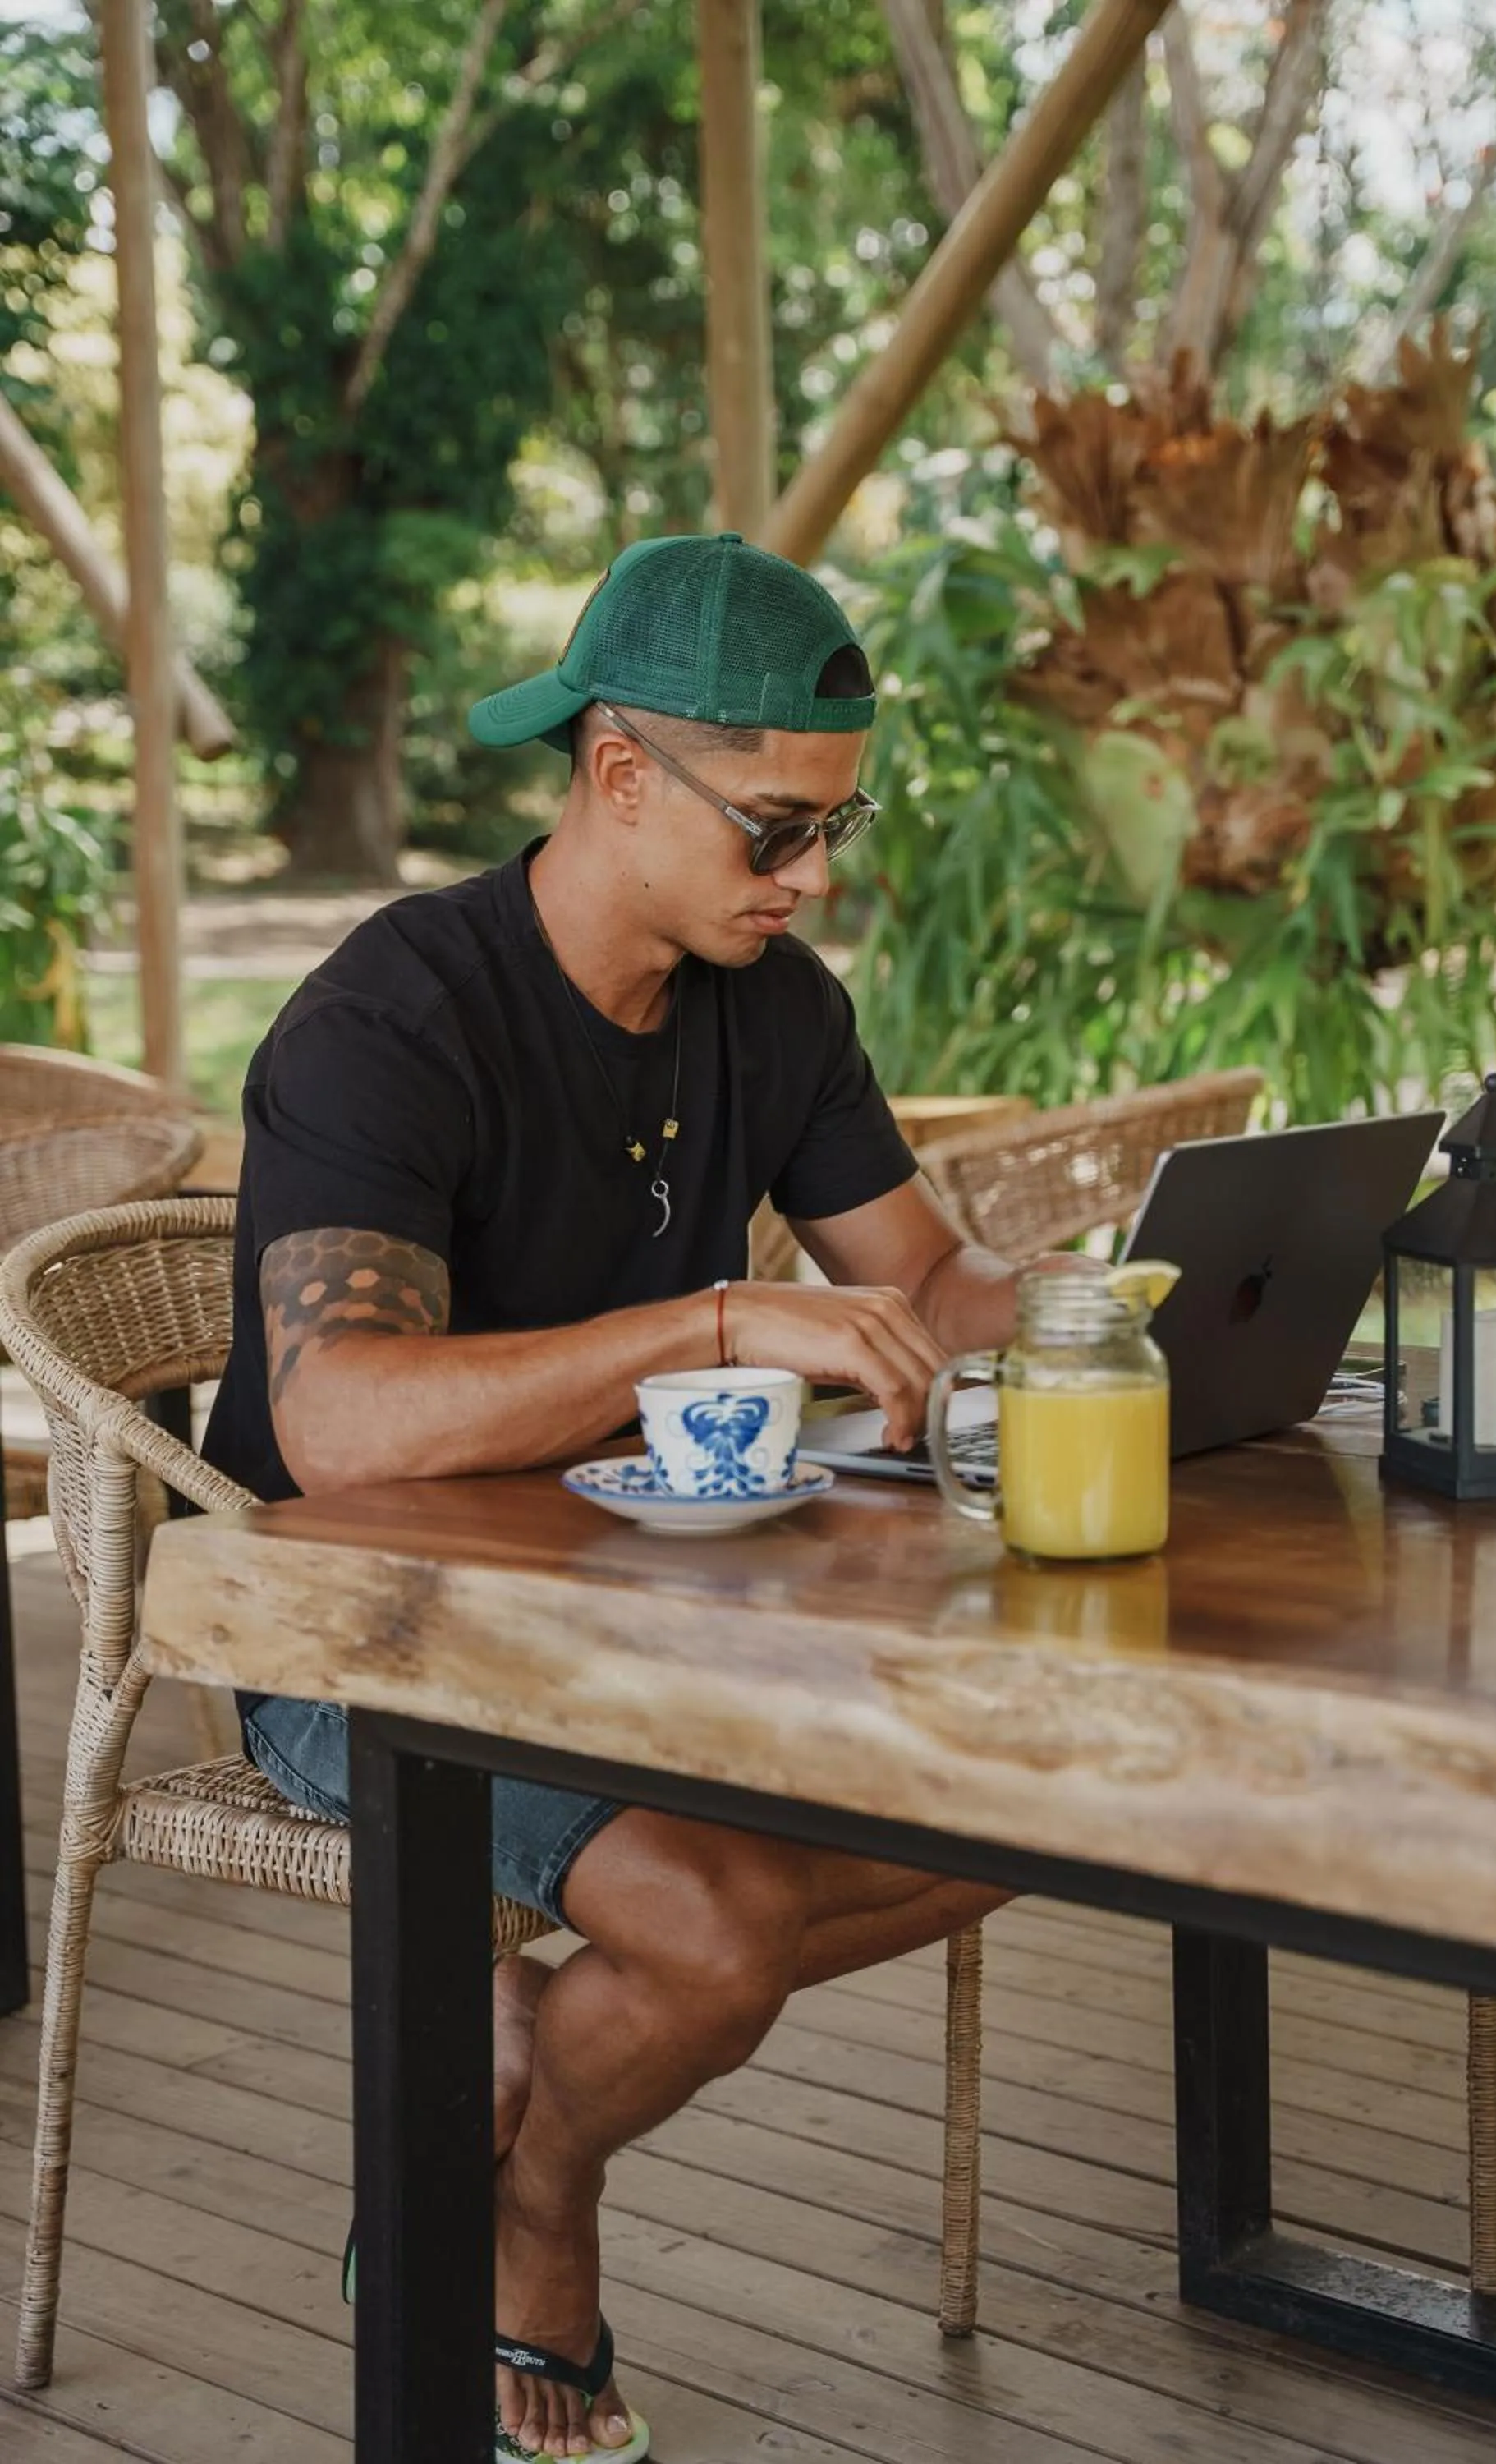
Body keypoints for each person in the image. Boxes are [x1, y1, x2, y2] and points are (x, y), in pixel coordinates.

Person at [203, 532, 1025, 2462]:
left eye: (835, 825)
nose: (813, 877)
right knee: (716, 1933)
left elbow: (925, 1279)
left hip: (653, 1610)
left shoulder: (778, 1009)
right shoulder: (391, 1019)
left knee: (1039, 1813)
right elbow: (340, 1423)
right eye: (777, 830)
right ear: (622, 775)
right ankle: (538, 2217)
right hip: (361, 1635)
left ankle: (506, 2069)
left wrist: (1112, 1300)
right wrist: (718, 1319)